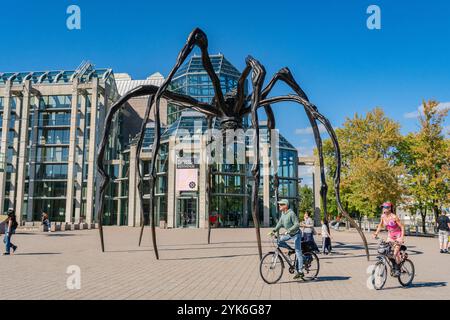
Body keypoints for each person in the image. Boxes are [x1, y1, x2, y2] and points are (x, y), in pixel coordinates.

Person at [269, 199, 304, 280]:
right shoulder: (283, 214)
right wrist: (274, 230)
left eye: (281, 204)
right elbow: (280, 223)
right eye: (279, 204)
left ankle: (301, 271)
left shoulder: (291, 213)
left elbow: (297, 224)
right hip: (289, 234)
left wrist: (288, 230)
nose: (279, 206)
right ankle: (291, 250)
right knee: (279, 240)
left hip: (296, 234)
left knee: (298, 252)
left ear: (286, 205)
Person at [373, 202, 405, 276]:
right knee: (386, 251)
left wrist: (401, 238)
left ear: (389, 208)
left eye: (385, 207)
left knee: (394, 253)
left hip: (398, 235)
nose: (383, 209)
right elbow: (380, 225)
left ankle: (397, 270)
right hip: (390, 236)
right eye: (383, 207)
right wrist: (376, 233)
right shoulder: (383, 216)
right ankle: (395, 264)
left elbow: (402, 227)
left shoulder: (394, 217)